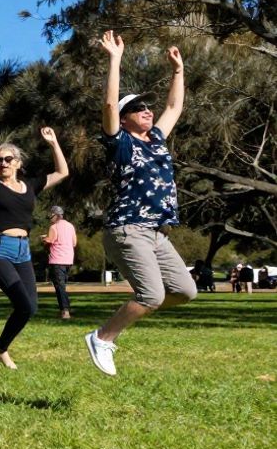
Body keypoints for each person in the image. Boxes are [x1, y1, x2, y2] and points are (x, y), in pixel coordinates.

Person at [85, 32, 198, 376]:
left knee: (184, 291)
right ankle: (102, 338)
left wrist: (178, 71)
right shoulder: (119, 143)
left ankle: (121, 322)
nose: (147, 111)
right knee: (151, 295)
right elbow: (108, 105)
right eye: (137, 108)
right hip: (127, 228)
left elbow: (175, 107)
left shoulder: (157, 140)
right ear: (124, 118)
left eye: (147, 107)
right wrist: (115, 59)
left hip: (155, 232)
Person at [0, 107, 68, 369]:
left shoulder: (30, 185)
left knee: (29, 308)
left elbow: (62, 172)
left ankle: (0, 349)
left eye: (8, 159)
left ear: (18, 163)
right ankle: (1, 350)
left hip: (23, 251)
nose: (3, 164)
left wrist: (54, 143)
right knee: (22, 303)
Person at [41, 205, 78, 319]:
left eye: (50, 215)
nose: (50, 218)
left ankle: (65, 311)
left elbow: (51, 240)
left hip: (57, 259)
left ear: (56, 215)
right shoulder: (70, 226)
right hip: (68, 259)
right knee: (62, 285)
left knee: (59, 286)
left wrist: (43, 238)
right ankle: (66, 308)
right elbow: (74, 243)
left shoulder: (54, 227)